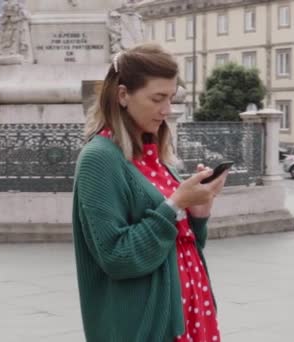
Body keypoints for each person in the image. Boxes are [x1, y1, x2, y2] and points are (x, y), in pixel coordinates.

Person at [72, 44, 227, 342]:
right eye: (157, 98)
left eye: (170, 98)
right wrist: (175, 203)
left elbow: (182, 244)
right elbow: (116, 256)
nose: (167, 110)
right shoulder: (100, 158)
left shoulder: (151, 152)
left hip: (189, 311)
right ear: (123, 95)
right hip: (146, 323)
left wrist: (199, 210)